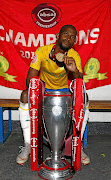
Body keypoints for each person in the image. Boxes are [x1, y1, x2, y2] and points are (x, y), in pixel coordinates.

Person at [16, 25, 90, 165]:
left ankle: (77, 145)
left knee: (84, 97)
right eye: (66, 34)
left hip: (64, 91)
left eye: (73, 37)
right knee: (25, 95)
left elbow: (80, 82)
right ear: (57, 35)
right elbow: (30, 81)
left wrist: (74, 70)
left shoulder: (74, 55)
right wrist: (37, 90)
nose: (69, 38)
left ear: (74, 42)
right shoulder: (42, 51)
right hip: (44, 91)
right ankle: (28, 144)